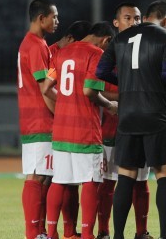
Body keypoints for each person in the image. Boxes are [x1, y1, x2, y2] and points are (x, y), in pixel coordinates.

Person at [96, 0, 166, 239]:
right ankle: (165, 235)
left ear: (144, 17)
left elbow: (101, 72)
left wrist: (127, 79)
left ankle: (119, 235)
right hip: (156, 113)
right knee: (164, 176)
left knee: (126, 177)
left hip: (128, 114)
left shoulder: (121, 39)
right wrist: (148, 79)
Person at [42, 22, 118, 239]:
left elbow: (47, 87)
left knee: (59, 181)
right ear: (105, 40)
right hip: (85, 129)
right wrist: (110, 106)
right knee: (91, 181)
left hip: (61, 128)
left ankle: (50, 233)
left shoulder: (61, 53)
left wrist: (66, 101)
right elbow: (89, 91)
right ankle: (86, 234)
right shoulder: (96, 55)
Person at [97, 2, 154, 239]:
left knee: (140, 183)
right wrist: (124, 98)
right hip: (109, 131)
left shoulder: (149, 51)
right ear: (116, 23)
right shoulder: (107, 53)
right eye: (128, 18)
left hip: (139, 128)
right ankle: (103, 232)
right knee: (108, 184)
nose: (134, 22)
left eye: (138, 18)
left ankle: (141, 232)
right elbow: (94, 87)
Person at [17, 0, 58, 239]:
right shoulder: (35, 45)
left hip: (33, 118)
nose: (57, 21)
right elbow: (45, 88)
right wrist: (63, 113)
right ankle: (33, 232)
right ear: (41, 18)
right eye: (54, 16)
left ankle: (38, 230)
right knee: (37, 176)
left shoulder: (32, 43)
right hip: (40, 120)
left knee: (44, 176)